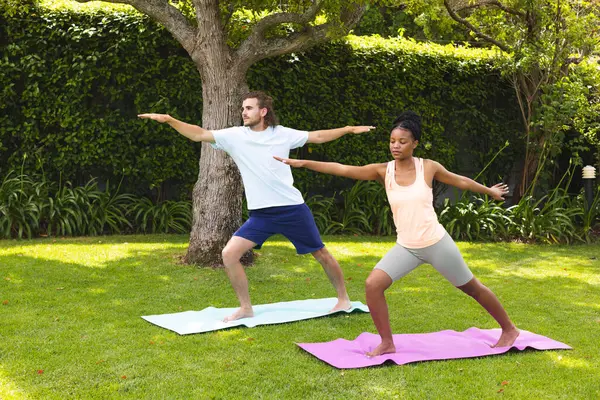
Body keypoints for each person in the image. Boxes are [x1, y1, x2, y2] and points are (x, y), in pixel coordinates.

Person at [274, 110, 519, 356]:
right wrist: (303, 163)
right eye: (392, 141)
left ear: (415, 144)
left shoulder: (429, 167)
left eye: (402, 142)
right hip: (407, 247)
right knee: (372, 285)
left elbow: (461, 182)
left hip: (436, 243)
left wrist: (489, 191)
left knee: (472, 288)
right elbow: (343, 169)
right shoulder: (383, 171)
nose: (396, 146)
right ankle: (387, 342)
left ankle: (509, 329)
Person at [139, 91, 375, 322]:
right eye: (243, 108)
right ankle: (245, 308)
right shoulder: (234, 136)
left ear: (263, 111)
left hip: (291, 208)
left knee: (321, 253)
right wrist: (170, 120)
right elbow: (199, 135)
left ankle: (343, 298)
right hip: (261, 214)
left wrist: (347, 130)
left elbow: (319, 137)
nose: (244, 112)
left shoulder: (282, 134)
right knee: (229, 254)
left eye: (249, 108)